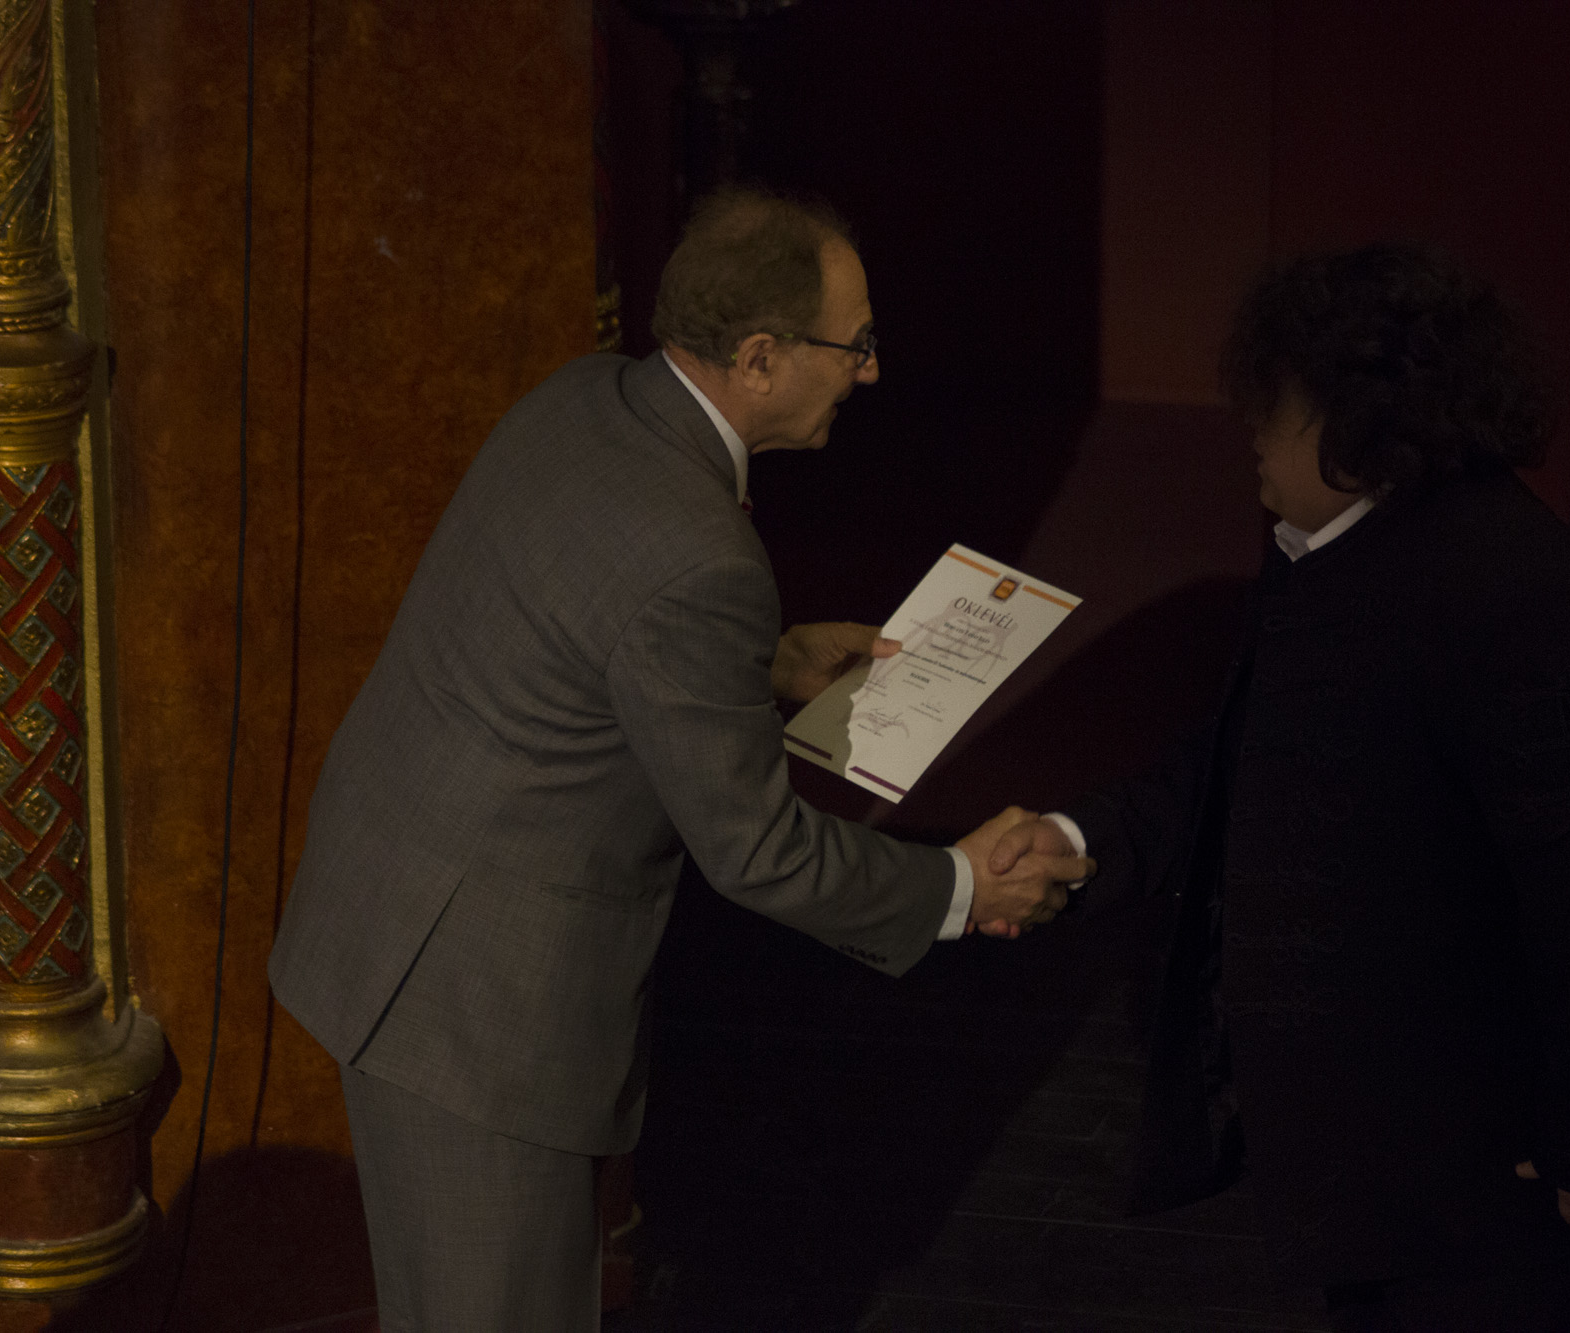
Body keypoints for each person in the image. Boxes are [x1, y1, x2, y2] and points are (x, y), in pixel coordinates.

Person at [267, 188, 1091, 1332]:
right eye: (853, 344)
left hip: (398, 925)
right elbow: (759, 852)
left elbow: (578, 619)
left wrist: (763, 663)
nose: (869, 372)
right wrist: (959, 886)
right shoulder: (701, 560)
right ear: (757, 357)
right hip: (477, 1014)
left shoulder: (581, 398)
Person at [987, 245, 1570, 1330]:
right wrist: (1077, 835)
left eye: (1276, 398)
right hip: (1402, 1180)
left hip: (1508, 1192)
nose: (1250, 422)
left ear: (1358, 416)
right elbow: (1242, 759)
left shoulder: (1512, 595)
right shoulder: (1335, 551)